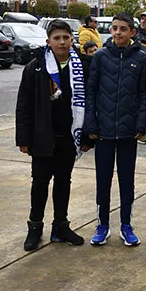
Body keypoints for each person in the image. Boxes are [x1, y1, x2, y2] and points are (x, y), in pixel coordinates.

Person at [15, 19, 88, 251]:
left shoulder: (81, 66)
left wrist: (85, 136)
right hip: (42, 136)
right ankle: (35, 227)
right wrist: (24, 139)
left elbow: (89, 102)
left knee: (63, 182)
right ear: (48, 41)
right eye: (57, 38)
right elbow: (24, 104)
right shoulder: (36, 67)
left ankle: (61, 226)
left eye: (66, 37)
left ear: (72, 40)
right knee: (39, 183)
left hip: (68, 136)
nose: (62, 42)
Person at [82, 13, 146, 247]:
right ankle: (102, 224)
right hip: (103, 132)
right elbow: (90, 92)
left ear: (132, 32)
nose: (118, 32)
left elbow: (143, 93)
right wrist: (90, 123)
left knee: (126, 180)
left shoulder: (141, 58)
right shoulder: (100, 56)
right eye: (114, 28)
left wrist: (142, 123)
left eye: (123, 29)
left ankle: (126, 225)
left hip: (128, 132)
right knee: (103, 180)